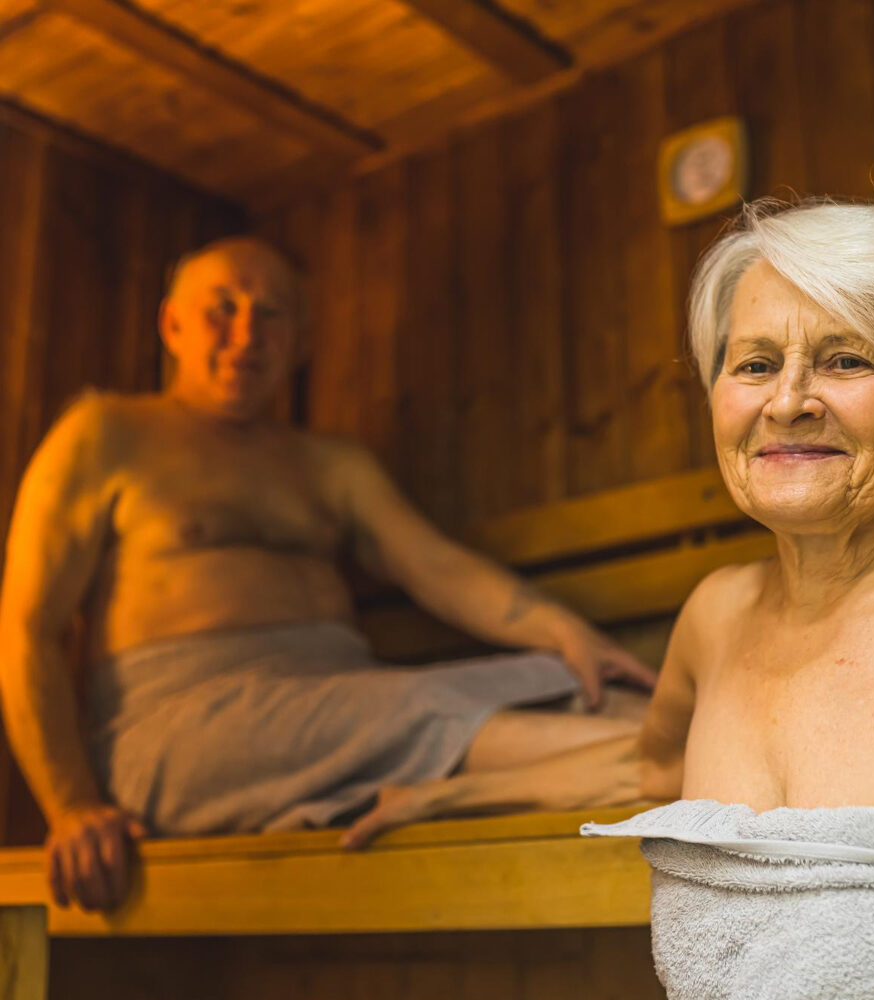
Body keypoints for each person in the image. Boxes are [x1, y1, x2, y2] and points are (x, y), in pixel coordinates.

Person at [349, 199, 874, 997]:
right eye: (755, 364)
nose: (787, 401)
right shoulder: (716, 615)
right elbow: (653, 773)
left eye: (846, 361)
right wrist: (446, 793)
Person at [0, 236, 655, 913]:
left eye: (272, 313)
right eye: (221, 307)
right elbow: (28, 629)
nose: (247, 332)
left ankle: (666, 758)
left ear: (302, 341)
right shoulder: (105, 433)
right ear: (171, 324)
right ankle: (671, 765)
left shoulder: (328, 464)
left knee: (583, 690)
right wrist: (71, 803)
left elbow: (432, 565)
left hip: (348, 704)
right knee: (442, 712)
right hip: (182, 729)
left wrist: (567, 633)